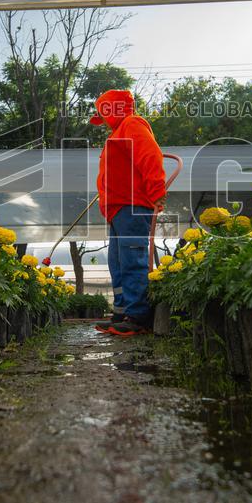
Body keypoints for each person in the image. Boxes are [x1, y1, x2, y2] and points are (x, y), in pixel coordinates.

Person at [89, 89, 165, 337]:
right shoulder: (117, 133)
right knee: (117, 262)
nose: (103, 121)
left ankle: (138, 316)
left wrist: (156, 190)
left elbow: (149, 154)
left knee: (133, 260)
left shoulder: (132, 124)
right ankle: (122, 312)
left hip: (133, 206)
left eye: (104, 113)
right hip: (119, 209)